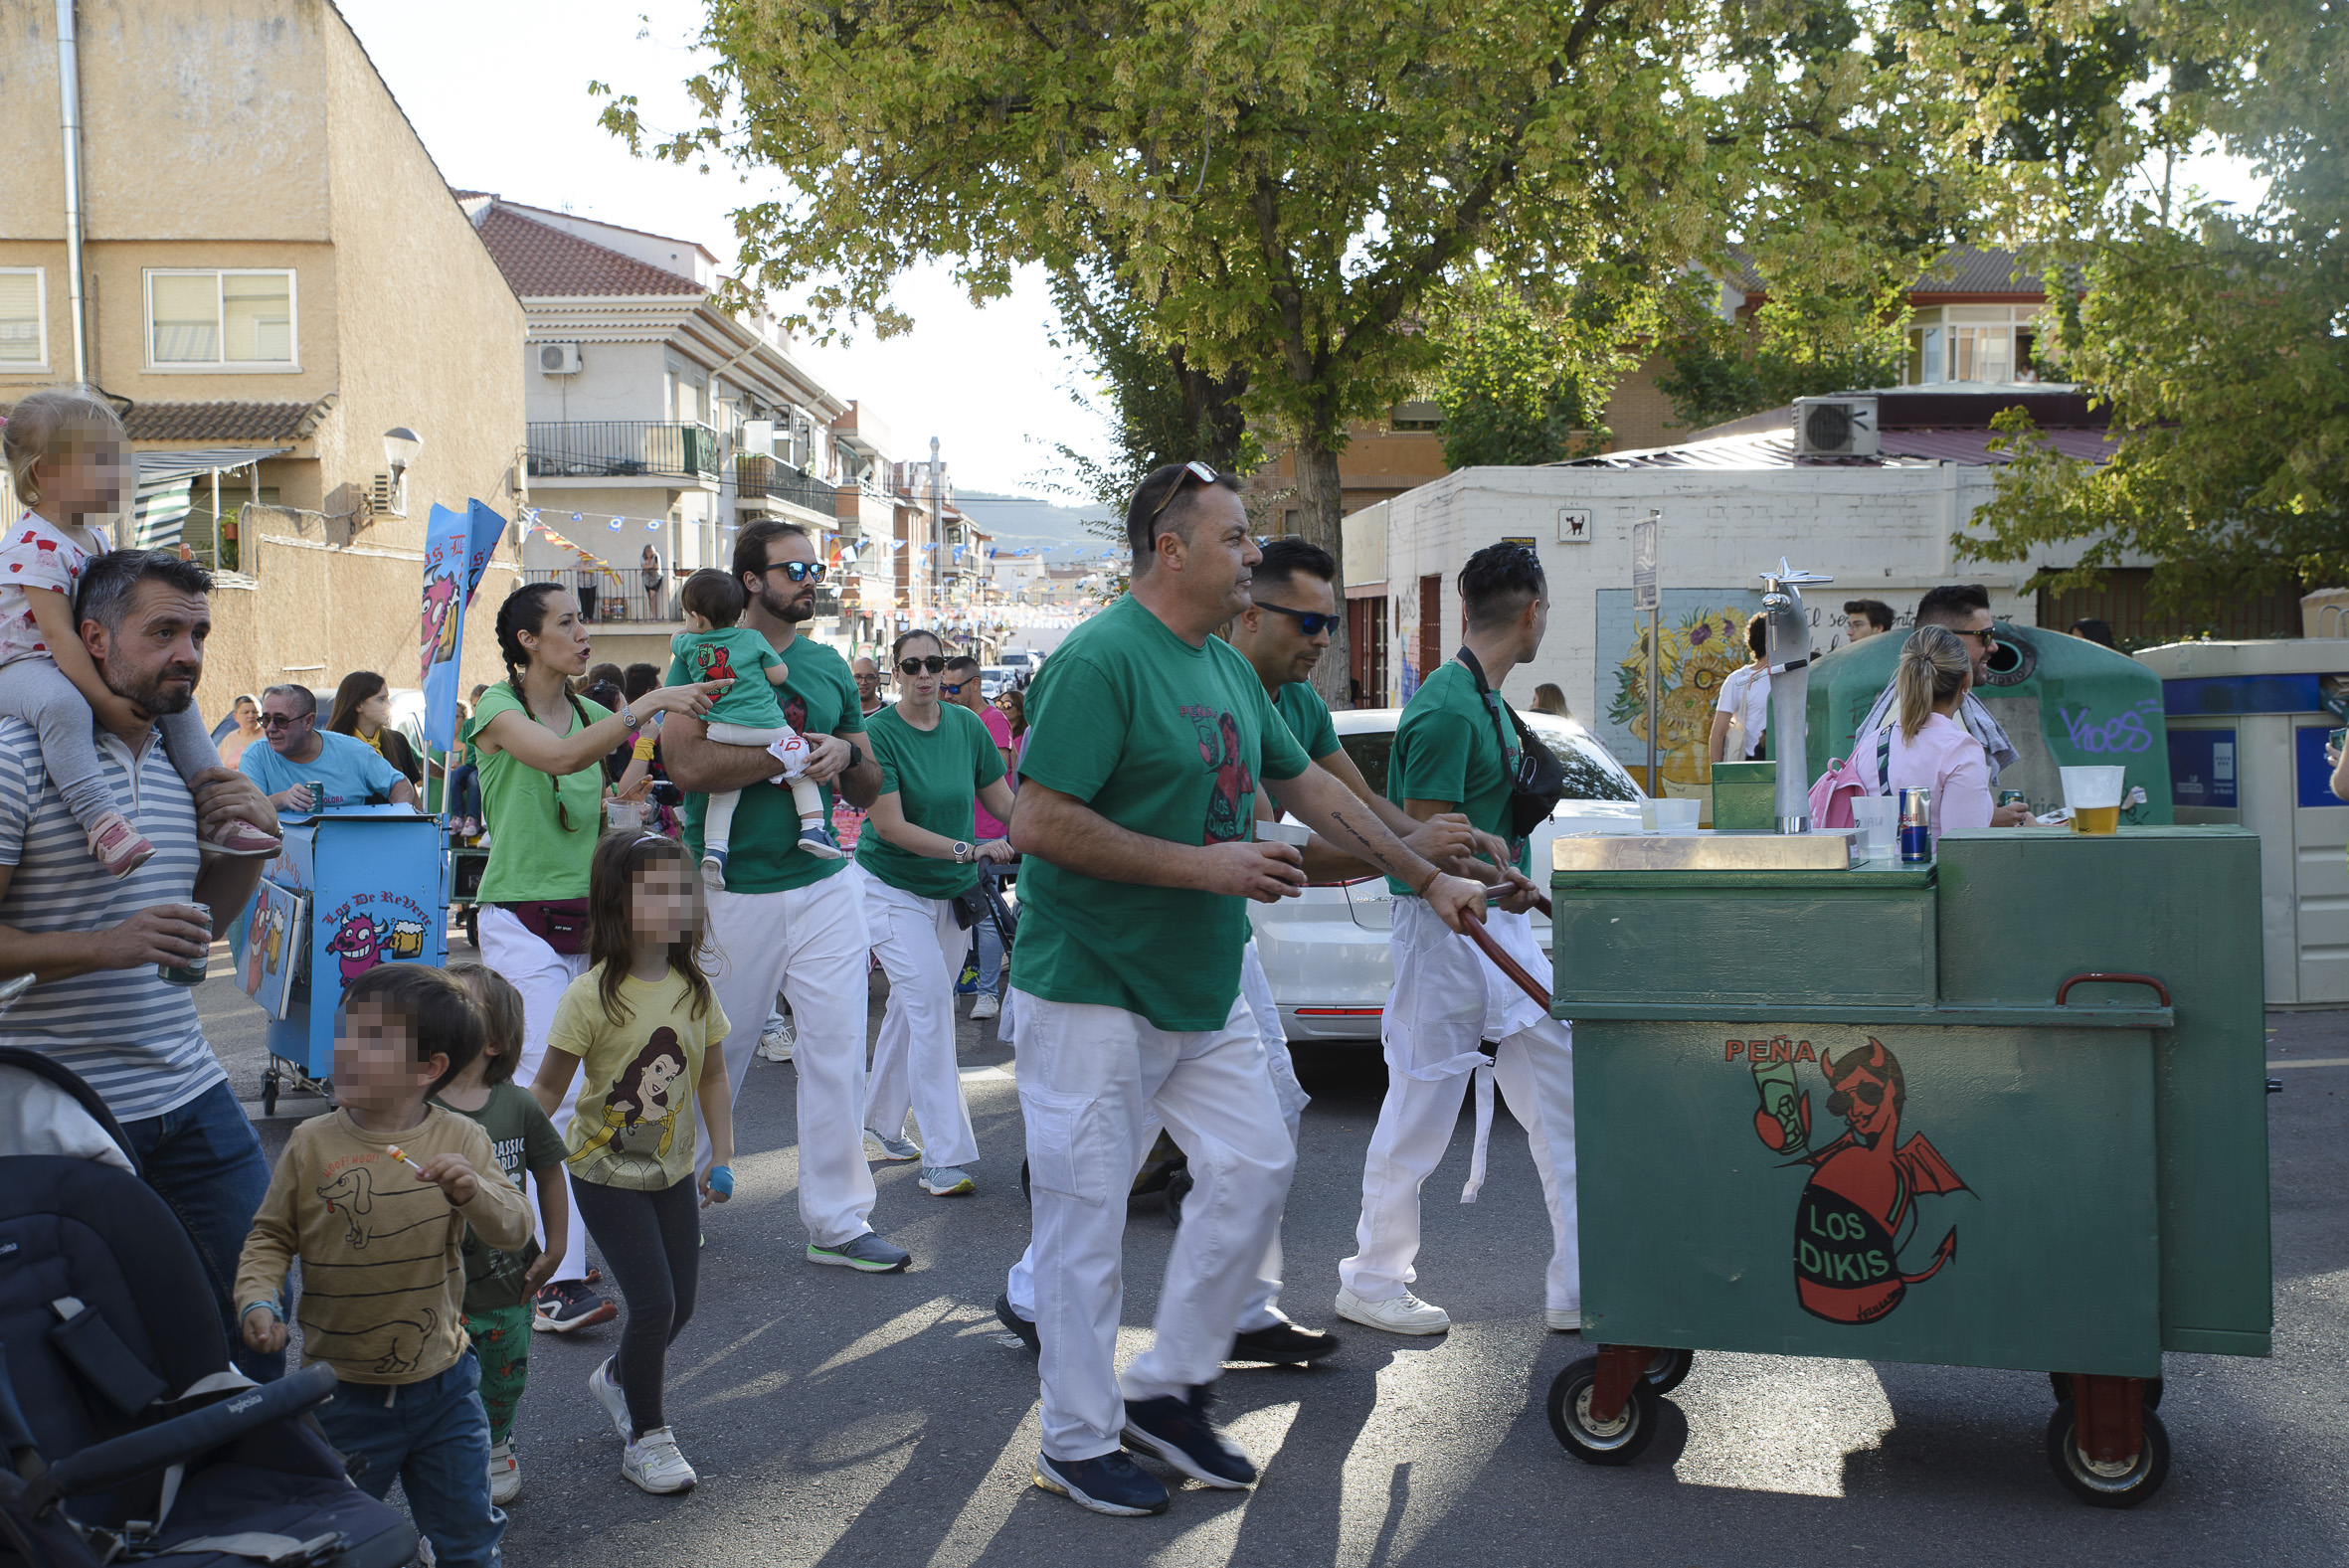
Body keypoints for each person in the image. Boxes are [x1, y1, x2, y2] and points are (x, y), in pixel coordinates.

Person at [1006, 460, 1485, 1516]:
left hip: (1200, 977)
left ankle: (1170, 1385)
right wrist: (1205, 864)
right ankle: (1076, 1440)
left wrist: (1428, 872)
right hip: (1089, 984)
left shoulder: (1224, 670)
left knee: (1259, 1160)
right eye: (1234, 540)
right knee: (1085, 1231)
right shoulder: (1100, 658)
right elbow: (1035, 822)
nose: (1252, 558)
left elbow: (1310, 786)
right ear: (1169, 550)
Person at [0, 548, 284, 1380]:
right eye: (162, 630)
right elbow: (124, 941)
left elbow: (198, 926)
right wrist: (104, 946)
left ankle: (242, 1484)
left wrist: (248, 846)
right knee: (102, 1351)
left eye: (197, 632)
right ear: (93, 637)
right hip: (59, 1110)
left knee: (258, 1309)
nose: (188, 653)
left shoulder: (180, 763)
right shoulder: (18, 756)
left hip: (189, 1089)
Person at [1337, 541, 1583, 1339]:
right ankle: (1373, 1279)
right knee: (1418, 1109)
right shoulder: (1448, 706)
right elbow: (1423, 845)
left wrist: (1503, 879)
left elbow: (1455, 837)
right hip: (1447, 933)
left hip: (1492, 926)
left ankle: (1581, 1281)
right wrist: (1482, 877)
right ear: (1533, 611)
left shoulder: (1479, 701)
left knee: (1569, 1105)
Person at [465, 581, 721, 1333]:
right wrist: (650, 703)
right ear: (526, 641)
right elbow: (559, 758)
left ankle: (518, 1222)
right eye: (568, 624)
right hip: (518, 920)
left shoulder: (585, 711)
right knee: (553, 1072)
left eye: (584, 622)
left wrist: (644, 767)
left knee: (596, 1079)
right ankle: (554, 1277)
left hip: (591, 923)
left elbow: (611, 791)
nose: (585, 635)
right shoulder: (496, 711)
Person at [658, 519, 907, 1274]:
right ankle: (675, 1197)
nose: (811, 578)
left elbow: (868, 776)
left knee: (836, 1050)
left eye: (815, 566)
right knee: (714, 1049)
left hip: (825, 879)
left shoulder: (830, 665)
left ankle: (838, 1219)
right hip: (730, 886)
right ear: (752, 580)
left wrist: (842, 753)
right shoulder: (699, 656)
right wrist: (782, 754)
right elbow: (687, 765)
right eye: (795, 567)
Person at [237, 964, 530, 1568]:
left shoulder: (462, 1139)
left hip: (445, 1387)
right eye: (345, 1031)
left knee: (469, 1543)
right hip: (341, 1395)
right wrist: (257, 1297)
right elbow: (270, 1235)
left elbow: (515, 1227)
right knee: (334, 1543)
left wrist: (473, 1191)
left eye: (371, 1040)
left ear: (429, 1069)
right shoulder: (312, 1143)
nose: (344, 1048)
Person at [0, 386, 279, 873]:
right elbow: (61, 637)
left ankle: (218, 810)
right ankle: (101, 822)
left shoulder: (93, 535)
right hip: (25, 664)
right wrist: (104, 702)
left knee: (179, 704)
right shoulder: (31, 543)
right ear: (45, 473)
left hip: (70, 660)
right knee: (63, 706)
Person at [531, 833, 734, 1495]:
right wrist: (498, 1141)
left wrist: (722, 1154)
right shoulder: (592, 995)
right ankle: (646, 1436)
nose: (674, 900)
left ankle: (618, 1378)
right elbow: (546, 1090)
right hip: (603, 1173)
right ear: (619, 902)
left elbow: (712, 1077)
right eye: (654, 888)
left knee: (683, 1305)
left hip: (671, 1173)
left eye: (681, 887)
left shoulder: (693, 989)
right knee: (653, 1305)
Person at [858, 629, 1017, 1196]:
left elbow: (1002, 802)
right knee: (929, 1008)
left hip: (951, 893)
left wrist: (1046, 836)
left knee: (914, 1007)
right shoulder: (877, 733)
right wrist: (968, 849)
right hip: (889, 888)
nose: (926, 673)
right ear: (894, 671)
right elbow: (891, 827)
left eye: (936, 663)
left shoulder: (969, 727)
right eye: (912, 664)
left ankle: (877, 1121)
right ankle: (943, 1156)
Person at [436, 962, 570, 1506]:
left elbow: (548, 1171)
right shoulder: (420, 1106)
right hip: (438, 1283)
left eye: (456, 1005)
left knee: (504, 1376)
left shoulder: (518, 1105)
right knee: (442, 1381)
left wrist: (559, 1245)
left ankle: (495, 1442)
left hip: (511, 1280)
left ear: (494, 1040)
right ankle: (451, 1457)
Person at [670, 567, 839, 887]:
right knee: (800, 763)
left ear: (697, 618)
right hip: (764, 727)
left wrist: (688, 631)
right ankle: (813, 828)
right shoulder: (751, 638)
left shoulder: (689, 645)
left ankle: (715, 851)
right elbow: (780, 676)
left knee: (722, 796)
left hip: (719, 730)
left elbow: (676, 639)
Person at [1853, 585, 2029, 825]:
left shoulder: (1873, 742)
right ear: (1944, 639)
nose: (1994, 646)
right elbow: (1964, 849)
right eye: (1985, 635)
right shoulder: (1958, 746)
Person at [945, 653, 1018, 1020]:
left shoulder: (992, 720)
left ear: (974, 685)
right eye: (945, 687)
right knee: (950, 912)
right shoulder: (950, 717)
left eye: (953, 688)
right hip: (954, 832)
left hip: (985, 831)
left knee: (985, 915)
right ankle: (950, 990)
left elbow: (1000, 767)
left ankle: (987, 993)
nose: (947, 694)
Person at [1874, 626, 1995, 842]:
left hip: (1873, 874)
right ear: (1965, 681)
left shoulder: (1871, 743)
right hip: (1932, 876)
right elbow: (1967, 853)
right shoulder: (1960, 750)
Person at [241, 684, 419, 811]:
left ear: (309, 721)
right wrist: (282, 799)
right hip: (287, 859)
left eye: (281, 721)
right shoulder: (256, 755)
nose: (270, 728)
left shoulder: (353, 751)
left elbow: (400, 784)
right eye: (265, 720)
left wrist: (395, 825)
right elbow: (248, 809)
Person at [327, 669, 424, 786]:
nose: (389, 705)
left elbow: (412, 797)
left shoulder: (398, 741)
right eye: (381, 699)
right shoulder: (331, 746)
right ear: (358, 706)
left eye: (388, 698)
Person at [1708, 612, 1771, 764]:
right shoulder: (1738, 680)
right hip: (1751, 764)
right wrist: (1719, 780)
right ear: (1769, 640)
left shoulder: (1789, 678)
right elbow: (1718, 734)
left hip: (1787, 764)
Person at [213, 692, 263, 768]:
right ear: (235, 716)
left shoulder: (269, 737)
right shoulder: (229, 739)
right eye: (246, 712)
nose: (251, 715)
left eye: (255, 712)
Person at [641, 545, 666, 620]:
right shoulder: (642, 557)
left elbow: (656, 566)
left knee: (652, 596)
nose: (650, 553)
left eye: (651, 551)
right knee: (650, 597)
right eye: (648, 551)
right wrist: (650, 566)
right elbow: (643, 566)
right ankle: (653, 616)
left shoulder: (656, 556)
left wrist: (647, 567)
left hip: (656, 578)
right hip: (647, 579)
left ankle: (654, 617)